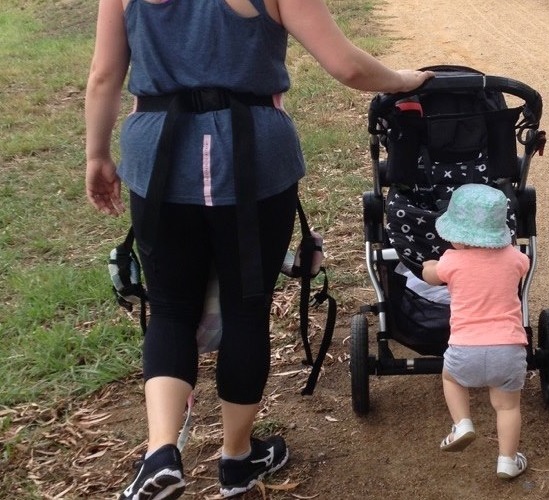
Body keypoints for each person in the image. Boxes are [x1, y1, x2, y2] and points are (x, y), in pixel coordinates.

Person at [84, 0, 433, 498]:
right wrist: (402, 80)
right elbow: (347, 65)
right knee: (247, 309)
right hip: (252, 159)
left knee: (169, 309)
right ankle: (237, 457)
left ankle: (161, 452)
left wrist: (97, 154)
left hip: (158, 160)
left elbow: (103, 77)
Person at [421, 183, 530, 480]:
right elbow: (523, 264)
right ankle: (507, 460)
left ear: (458, 236)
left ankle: (462, 423)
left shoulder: (451, 261)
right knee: (507, 407)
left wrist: (429, 265)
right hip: (508, 349)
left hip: (464, 349)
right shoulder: (514, 258)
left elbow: (430, 276)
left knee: (450, 378)